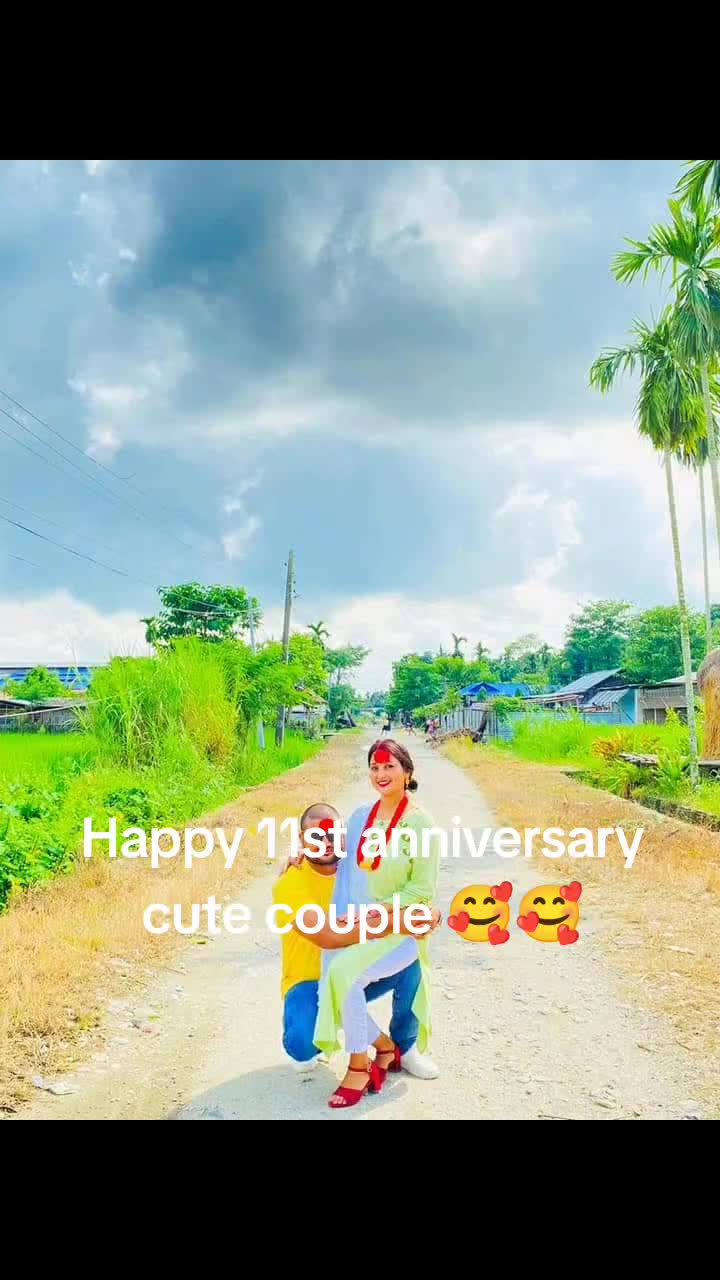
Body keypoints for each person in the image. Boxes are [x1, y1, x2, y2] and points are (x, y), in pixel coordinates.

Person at [311, 740, 442, 1110]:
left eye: (389, 766)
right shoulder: (358, 817)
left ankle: (358, 1067)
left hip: (398, 928)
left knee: (345, 976)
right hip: (358, 928)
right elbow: (332, 853)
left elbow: (421, 889)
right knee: (332, 981)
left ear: (407, 771)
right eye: (374, 767)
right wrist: (300, 853)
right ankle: (384, 1047)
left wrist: (376, 913)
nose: (381, 774)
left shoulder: (421, 823)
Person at [273, 802, 434, 1075]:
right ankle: (370, 1039)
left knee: (410, 957)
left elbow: (405, 878)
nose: (326, 843)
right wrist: (395, 923)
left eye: (332, 835)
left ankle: (405, 1048)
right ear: (302, 838)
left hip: (354, 971)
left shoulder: (358, 868)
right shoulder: (290, 883)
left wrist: (427, 915)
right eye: (315, 836)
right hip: (309, 981)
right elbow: (328, 937)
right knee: (302, 1048)